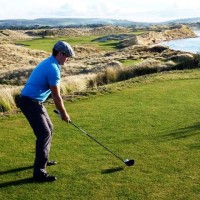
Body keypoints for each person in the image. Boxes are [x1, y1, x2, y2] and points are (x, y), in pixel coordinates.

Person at [18, 41, 75, 182]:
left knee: (49, 128)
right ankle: (39, 172)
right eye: (67, 56)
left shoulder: (51, 63)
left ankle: (43, 160)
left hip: (35, 101)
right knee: (44, 133)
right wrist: (64, 113)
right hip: (30, 102)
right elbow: (56, 96)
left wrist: (61, 112)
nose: (67, 60)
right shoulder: (52, 68)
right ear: (60, 54)